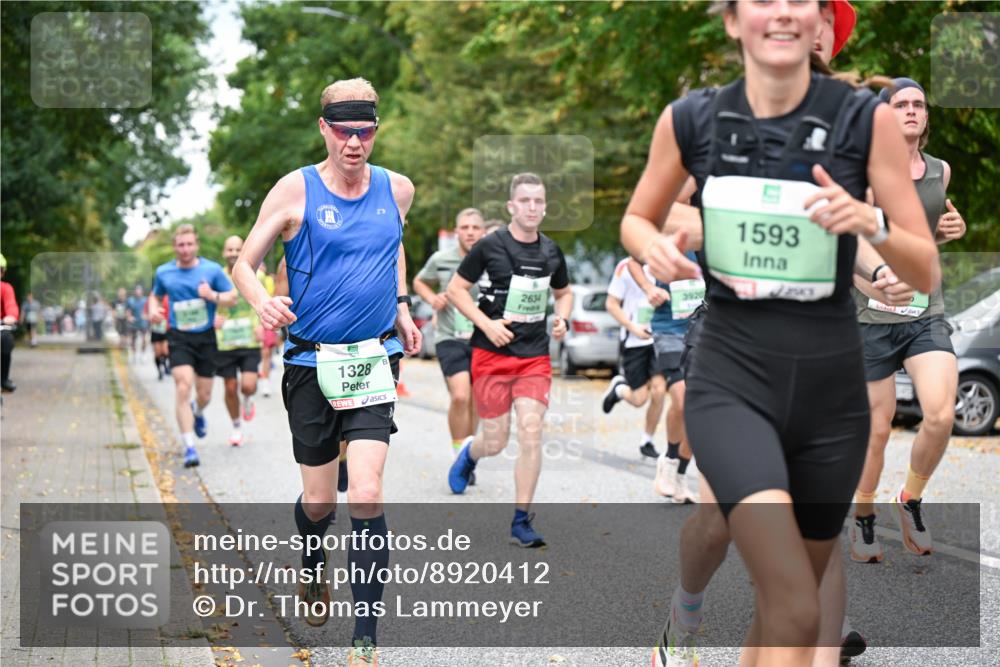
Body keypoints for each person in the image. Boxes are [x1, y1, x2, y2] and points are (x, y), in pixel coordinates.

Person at [620, 2, 939, 666]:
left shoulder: (863, 121)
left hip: (830, 394)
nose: (787, 14)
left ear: (822, 22)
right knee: (789, 596)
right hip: (732, 376)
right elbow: (638, 219)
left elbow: (921, 262)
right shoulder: (693, 120)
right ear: (733, 20)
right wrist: (659, 245)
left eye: (804, 1)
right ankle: (684, 618)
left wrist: (871, 231)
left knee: (785, 619)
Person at [231, 77, 420, 667]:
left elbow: (393, 246)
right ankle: (313, 568)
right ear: (325, 130)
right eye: (344, 132)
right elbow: (245, 262)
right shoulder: (296, 189)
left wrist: (403, 306)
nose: (355, 143)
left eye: (365, 131)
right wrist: (261, 301)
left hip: (372, 358)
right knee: (319, 502)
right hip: (311, 362)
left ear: (375, 130)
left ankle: (365, 636)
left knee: (364, 492)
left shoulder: (399, 189)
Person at [848, 77, 965, 563]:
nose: (912, 111)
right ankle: (863, 515)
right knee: (877, 428)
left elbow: (919, 242)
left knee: (940, 413)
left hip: (924, 310)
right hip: (870, 314)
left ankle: (910, 499)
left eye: (919, 104)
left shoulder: (941, 171)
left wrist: (948, 233)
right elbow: (847, 241)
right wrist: (874, 282)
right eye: (901, 104)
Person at [446, 172, 572, 548]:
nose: (533, 207)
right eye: (525, 201)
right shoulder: (489, 246)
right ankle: (470, 453)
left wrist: (562, 317)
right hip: (491, 354)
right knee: (496, 440)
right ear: (511, 207)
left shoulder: (551, 251)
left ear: (544, 207)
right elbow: (455, 291)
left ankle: (521, 520)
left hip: (534, 356)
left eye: (539, 201)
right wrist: (488, 324)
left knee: (531, 431)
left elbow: (564, 292)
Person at [149, 224, 237, 467]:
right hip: (179, 337)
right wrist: (153, 310)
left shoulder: (211, 270)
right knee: (183, 385)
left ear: (196, 245)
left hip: (206, 337)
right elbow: (154, 295)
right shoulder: (163, 272)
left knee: (205, 395)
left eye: (189, 244)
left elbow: (232, 297)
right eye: (180, 245)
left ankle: (197, 413)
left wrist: (212, 296)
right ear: (174, 247)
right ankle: (189, 447)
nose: (185, 249)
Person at [413, 208, 486, 468]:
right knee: (460, 396)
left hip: (482, 338)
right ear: (457, 232)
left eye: (475, 228)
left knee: (477, 400)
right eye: (464, 227)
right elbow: (420, 281)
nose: (470, 232)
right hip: (449, 336)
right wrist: (434, 299)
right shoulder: (442, 259)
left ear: (483, 231)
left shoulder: (493, 258)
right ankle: (460, 453)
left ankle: (469, 452)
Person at [600, 258, 668, 460]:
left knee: (659, 389)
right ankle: (619, 389)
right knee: (639, 399)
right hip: (633, 340)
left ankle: (647, 440)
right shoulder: (625, 267)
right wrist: (633, 328)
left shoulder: (665, 262)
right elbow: (611, 304)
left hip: (659, 338)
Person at [214, 236, 265, 447]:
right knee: (229, 386)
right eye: (230, 249)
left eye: (238, 249)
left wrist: (263, 324)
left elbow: (265, 300)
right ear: (224, 253)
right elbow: (206, 300)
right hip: (225, 341)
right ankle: (236, 427)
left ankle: (247, 398)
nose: (234, 253)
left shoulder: (257, 274)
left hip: (250, 339)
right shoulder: (216, 276)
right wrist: (212, 318)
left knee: (248, 385)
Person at [256, 261, 279, 398]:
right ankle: (259, 375)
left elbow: (274, 295)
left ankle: (265, 381)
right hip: (251, 320)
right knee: (261, 353)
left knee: (266, 352)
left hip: (267, 317)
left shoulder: (267, 279)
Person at [1, 254, 19, 393]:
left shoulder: (5, 288)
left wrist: (11, 317)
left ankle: (3, 379)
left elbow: (11, 306)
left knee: (5, 338)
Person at [126, 285, 150, 361]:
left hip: (143, 322)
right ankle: (134, 354)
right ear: (134, 291)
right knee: (133, 339)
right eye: (136, 290)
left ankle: (143, 354)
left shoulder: (146, 300)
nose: (138, 292)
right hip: (134, 322)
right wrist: (129, 317)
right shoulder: (130, 300)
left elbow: (149, 310)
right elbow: (128, 311)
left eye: (139, 290)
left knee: (144, 338)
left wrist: (147, 316)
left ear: (142, 291)